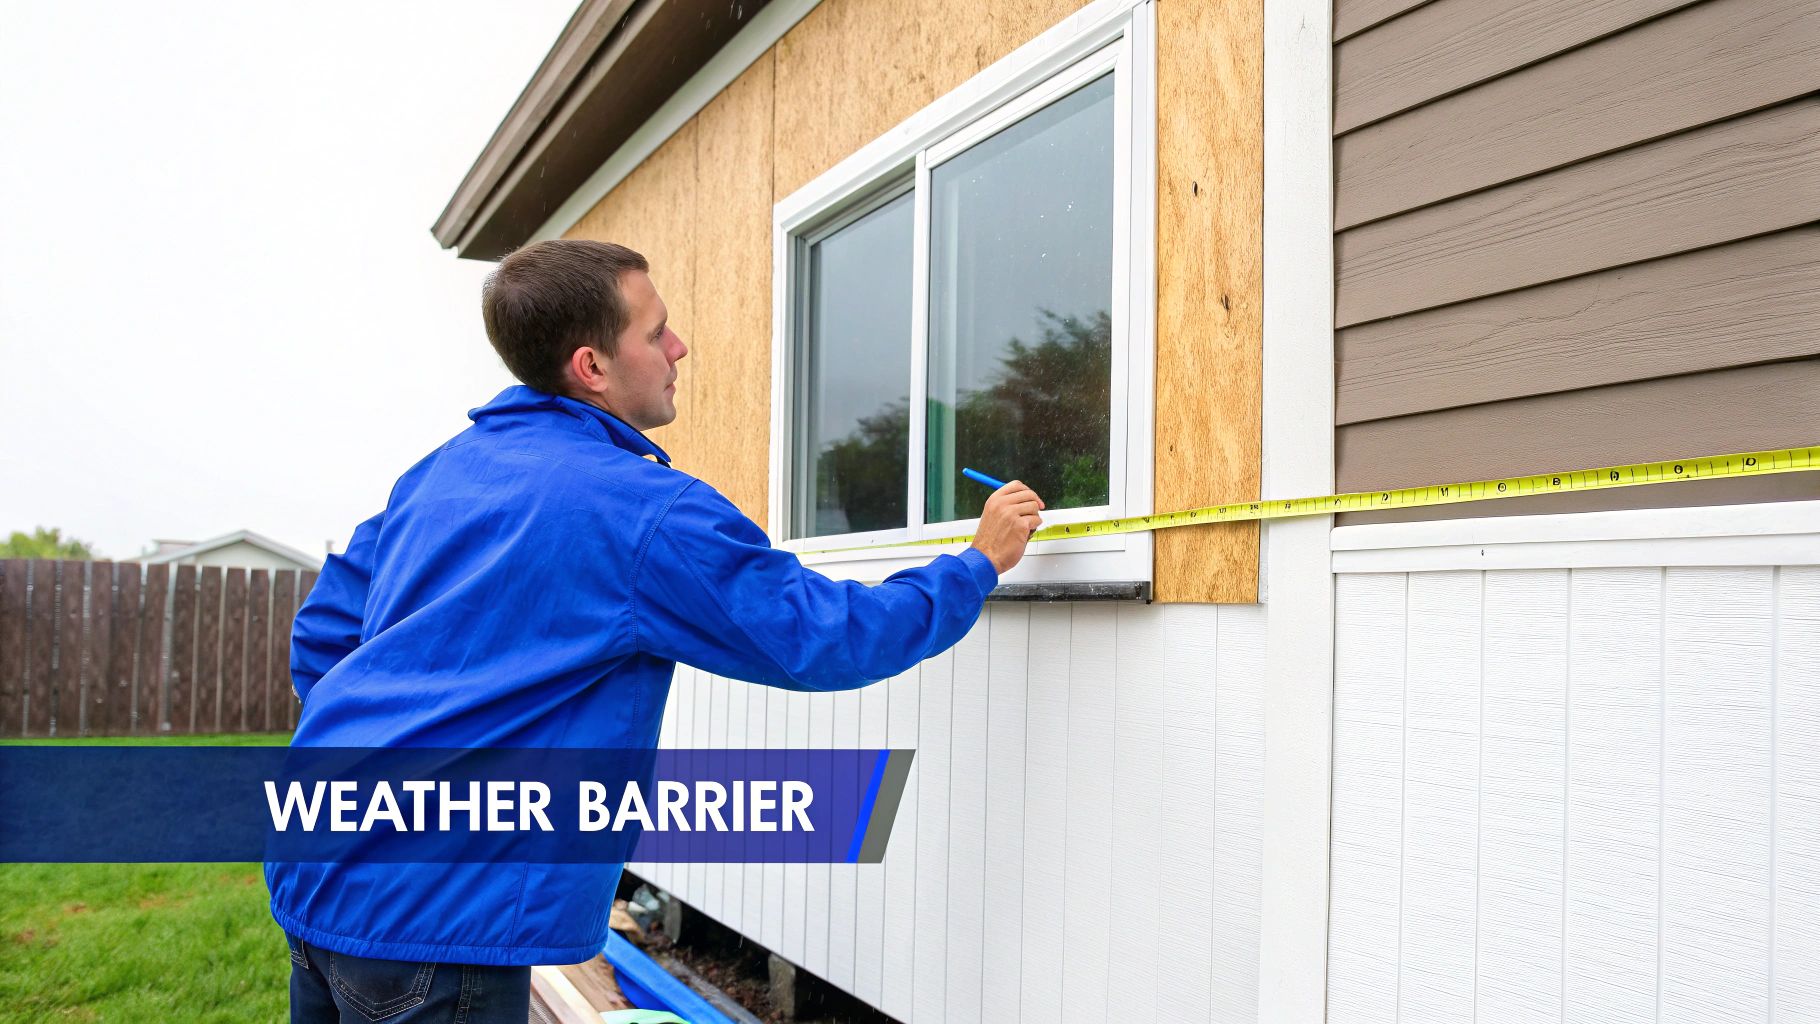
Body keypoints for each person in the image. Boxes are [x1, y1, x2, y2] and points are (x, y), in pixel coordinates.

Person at [269, 239, 1044, 1022]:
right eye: (655, 331)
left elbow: (324, 636)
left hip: (322, 862)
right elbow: (824, 634)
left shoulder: (439, 473)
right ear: (591, 366)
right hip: (438, 920)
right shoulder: (640, 510)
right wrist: (976, 563)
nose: (680, 347)